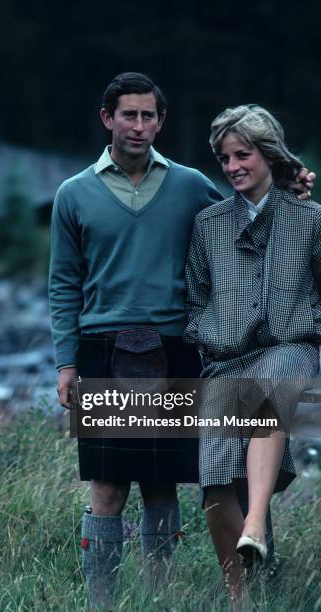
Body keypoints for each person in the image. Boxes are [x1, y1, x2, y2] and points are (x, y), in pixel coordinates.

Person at [49, 74, 314, 609]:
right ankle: (102, 602)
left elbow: (250, 217)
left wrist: (292, 182)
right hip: (104, 344)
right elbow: (63, 283)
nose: (139, 126)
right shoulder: (72, 193)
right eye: (129, 115)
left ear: (160, 121)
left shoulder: (192, 184)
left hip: (176, 349)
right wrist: (65, 363)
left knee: (164, 483)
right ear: (108, 119)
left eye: (149, 116)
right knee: (107, 486)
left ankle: (157, 600)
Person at [184, 104, 321, 606]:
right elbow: (194, 298)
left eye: (243, 154)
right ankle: (242, 599)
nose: (233, 165)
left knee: (272, 391)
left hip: (292, 349)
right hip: (227, 362)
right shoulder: (209, 225)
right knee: (216, 482)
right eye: (224, 158)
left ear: (269, 153)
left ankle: (257, 521)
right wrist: (210, 330)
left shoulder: (310, 219)